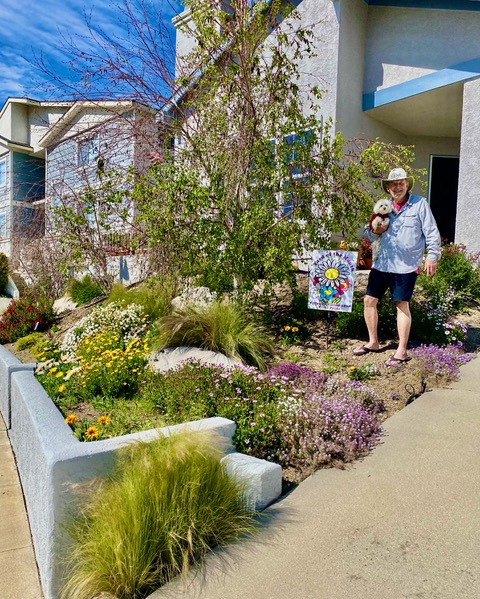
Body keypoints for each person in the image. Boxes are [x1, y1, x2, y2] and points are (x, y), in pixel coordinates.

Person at [353, 167, 441, 366]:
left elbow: (432, 232)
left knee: (401, 305)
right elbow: (367, 236)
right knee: (369, 300)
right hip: (382, 263)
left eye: (401, 183)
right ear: (388, 189)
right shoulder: (382, 207)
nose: (397, 187)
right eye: (393, 184)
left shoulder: (420, 204)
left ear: (407, 185)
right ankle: (373, 342)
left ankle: (401, 351)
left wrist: (432, 256)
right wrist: (376, 230)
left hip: (405, 266)